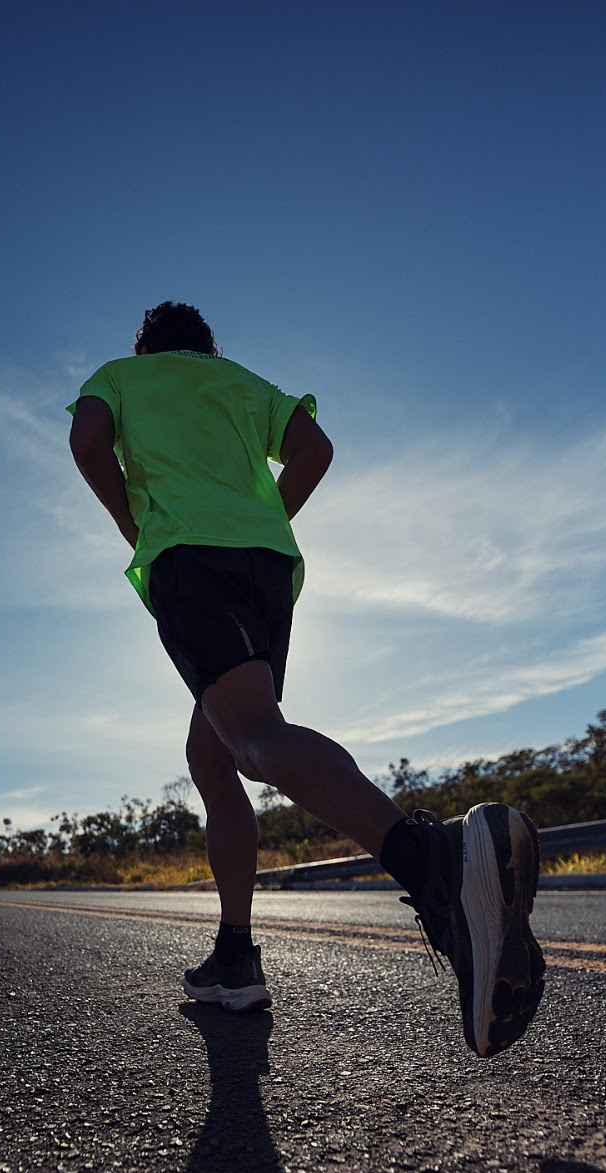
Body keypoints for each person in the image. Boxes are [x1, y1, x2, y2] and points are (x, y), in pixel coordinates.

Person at [68, 302, 544, 1057]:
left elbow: (88, 438)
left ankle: (434, 864)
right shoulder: (239, 382)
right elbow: (314, 449)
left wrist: (136, 526)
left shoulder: (122, 377)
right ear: (207, 347)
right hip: (268, 569)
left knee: (254, 738)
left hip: (190, 558)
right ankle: (234, 951)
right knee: (210, 752)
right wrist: (263, 517)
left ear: (146, 347)